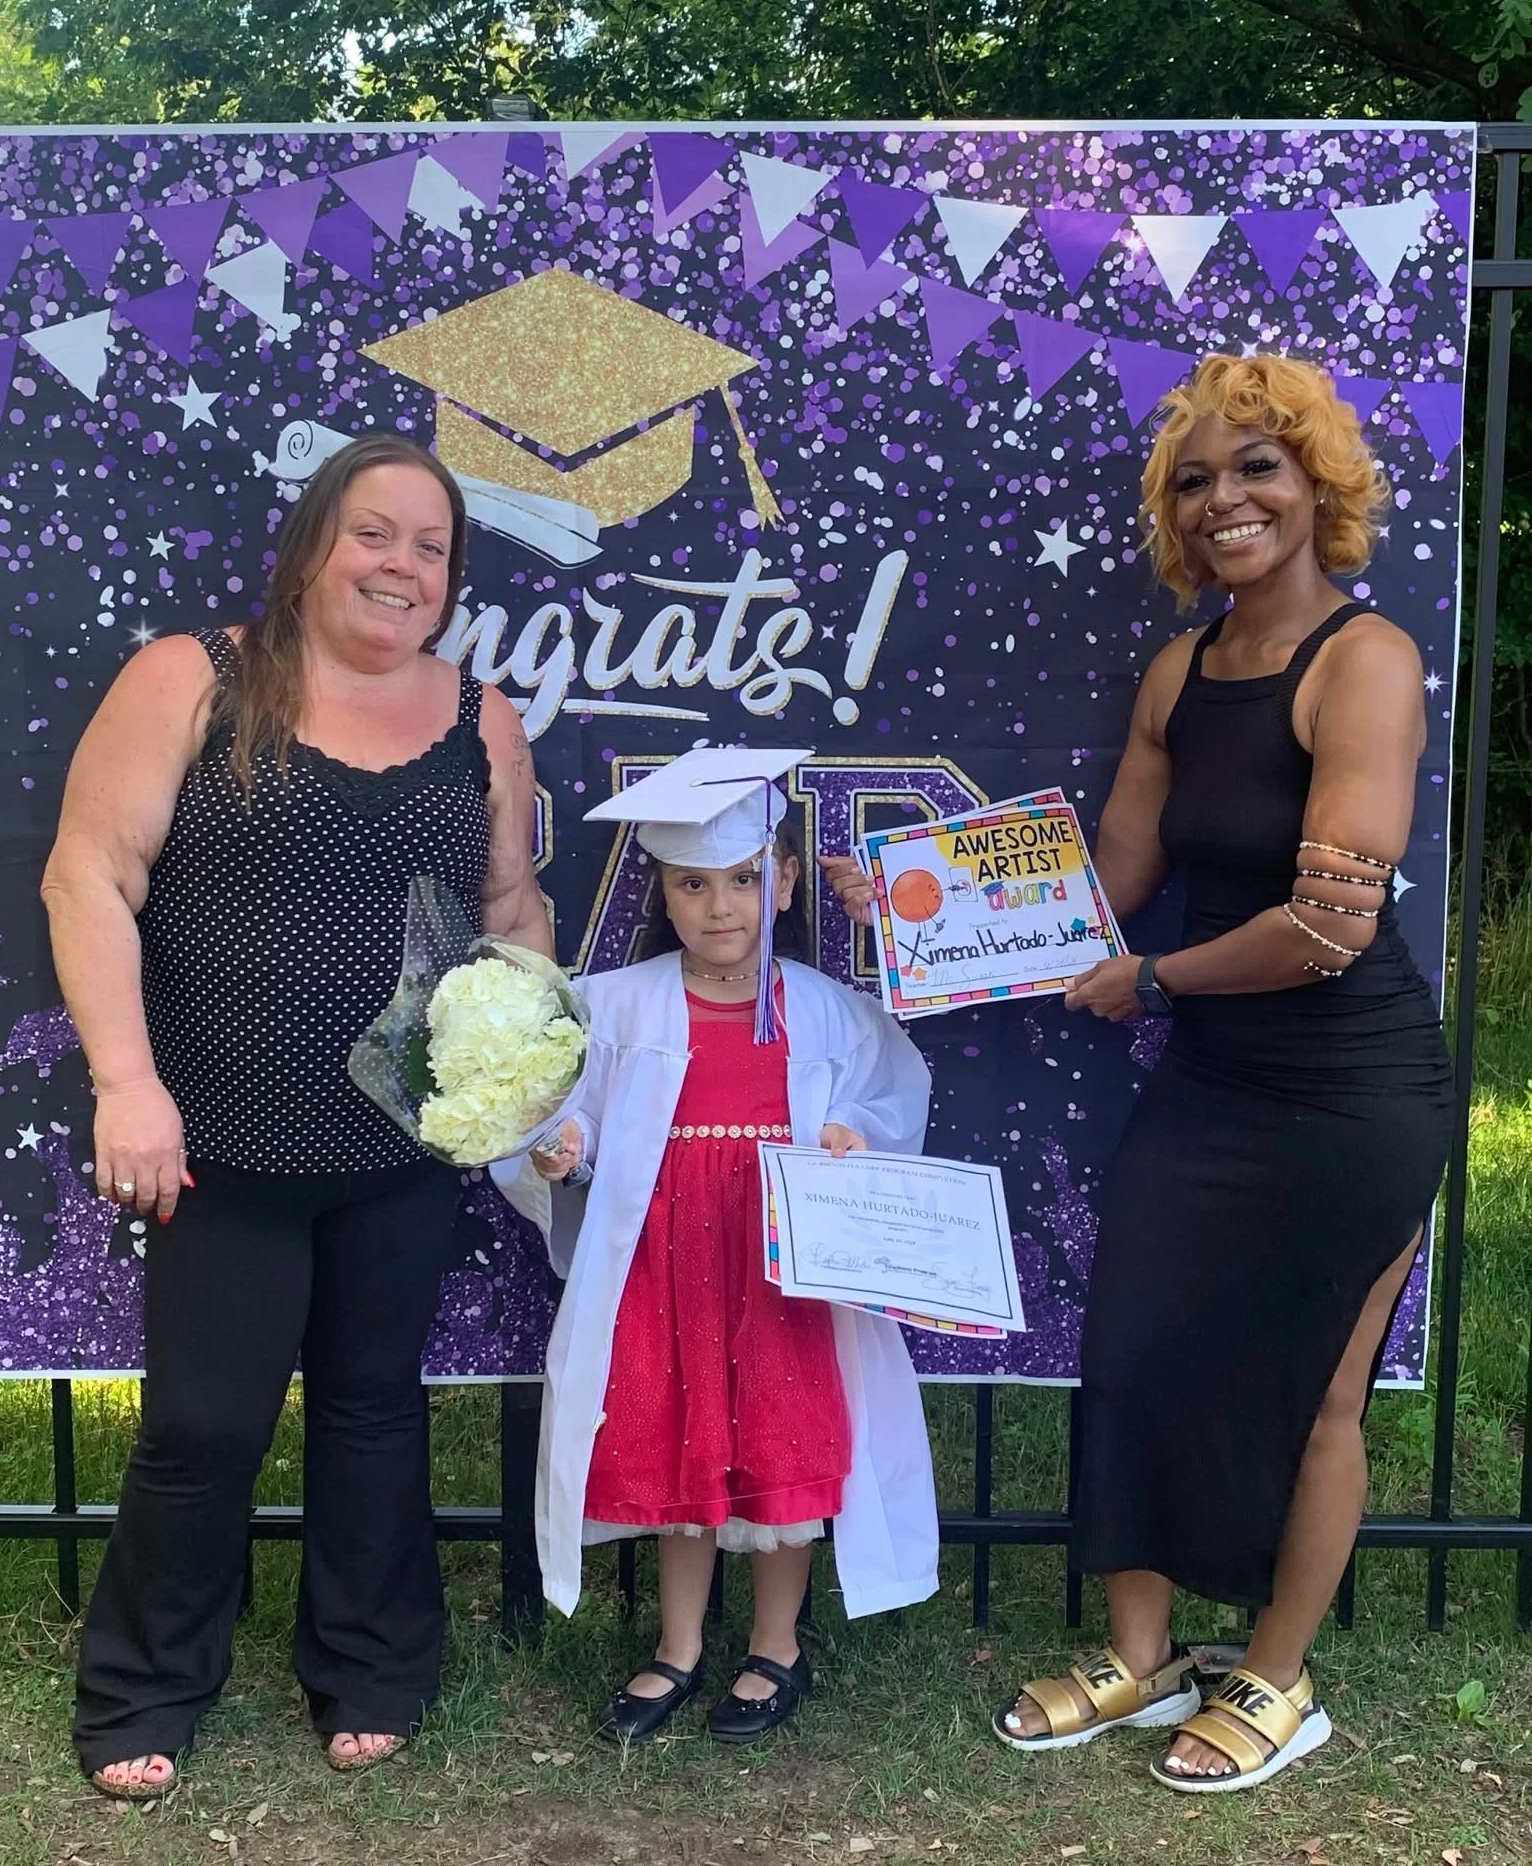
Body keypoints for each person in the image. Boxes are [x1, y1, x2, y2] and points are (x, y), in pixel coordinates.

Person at [829, 353, 1452, 1795]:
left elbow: (1329, 927)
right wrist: (914, 897)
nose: (1228, 499)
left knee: (1317, 1394)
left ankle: (1279, 1681)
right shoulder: (1180, 672)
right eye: (1197, 480)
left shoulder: (1369, 662)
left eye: (1258, 468)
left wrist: (1154, 979)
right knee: (1138, 1352)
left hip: (1355, 1096)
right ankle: (1139, 1658)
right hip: (1214, 1082)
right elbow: (1105, 886)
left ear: (1317, 487)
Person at [41, 435, 551, 1800]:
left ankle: (373, 1665)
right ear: (315, 545)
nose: (402, 567)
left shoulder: (482, 719)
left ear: (453, 580)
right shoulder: (191, 680)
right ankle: (147, 1683)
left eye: (431, 548)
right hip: (219, 1145)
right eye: (374, 535)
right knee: (206, 1422)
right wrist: (124, 1082)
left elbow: (511, 915)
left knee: (378, 1410)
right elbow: (88, 874)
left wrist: (526, 1055)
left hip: (398, 1153)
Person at [499, 749, 939, 1745]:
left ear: (782, 881)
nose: (720, 905)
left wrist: (853, 1136)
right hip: (668, 1262)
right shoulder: (614, 1005)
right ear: (662, 886)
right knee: (683, 1440)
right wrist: (564, 1148)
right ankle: (681, 1641)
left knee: (777, 1439)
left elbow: (891, 1091)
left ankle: (776, 1640)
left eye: (744, 878)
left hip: (780, 1264)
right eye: (693, 883)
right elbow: (565, 1119)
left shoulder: (826, 1009)